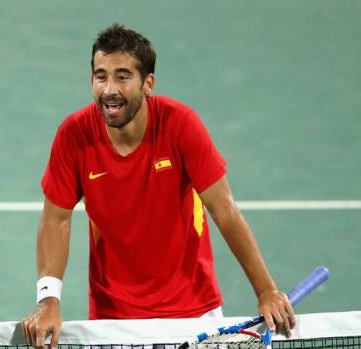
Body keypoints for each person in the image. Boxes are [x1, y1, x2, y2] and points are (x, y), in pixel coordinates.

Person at [22, 24, 295, 348]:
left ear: (147, 83)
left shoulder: (180, 126)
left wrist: (265, 290)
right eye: (101, 76)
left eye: (122, 77)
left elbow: (224, 210)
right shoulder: (73, 135)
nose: (109, 89)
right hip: (114, 318)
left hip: (194, 312)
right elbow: (56, 218)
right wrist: (48, 302)